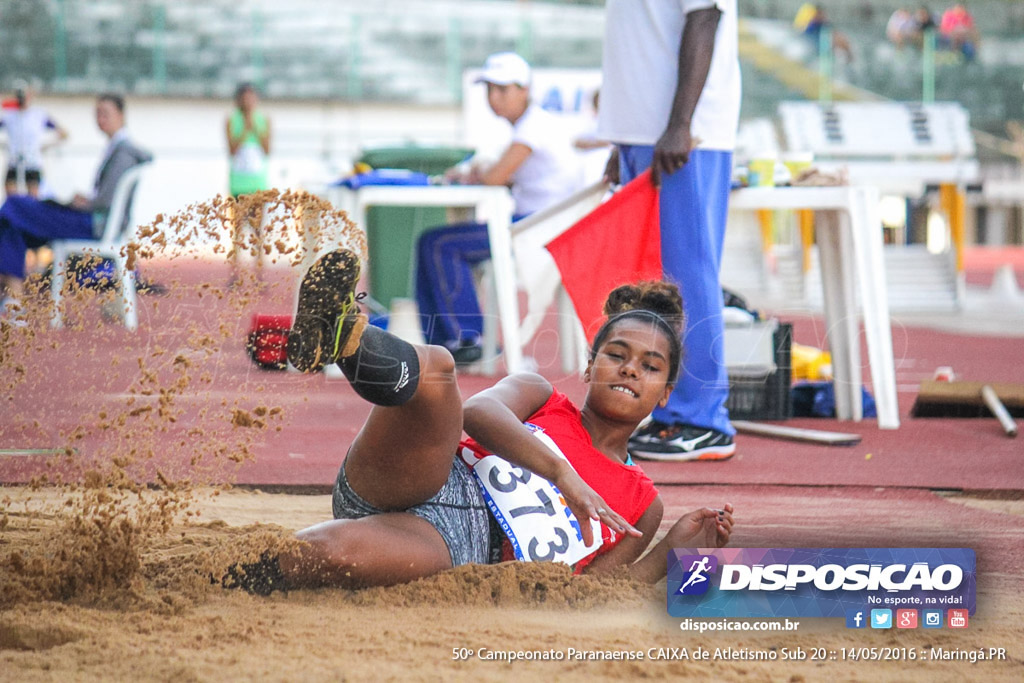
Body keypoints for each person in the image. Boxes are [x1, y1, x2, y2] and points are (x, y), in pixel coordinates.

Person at [223, 249, 734, 593]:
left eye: (650, 366)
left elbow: (599, 588)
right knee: (441, 369)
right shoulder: (539, 395)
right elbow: (478, 411)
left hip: (463, 545)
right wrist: (561, 473)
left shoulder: (644, 503)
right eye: (617, 355)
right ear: (589, 366)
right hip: (425, 469)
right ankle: (347, 341)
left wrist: (674, 549)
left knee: (327, 551)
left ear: (666, 394)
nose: (629, 369)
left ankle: (222, 582)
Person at [597, 0, 740, 462]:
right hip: (649, 133)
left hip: (684, 135)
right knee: (656, 282)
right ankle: (671, 410)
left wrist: (680, 124)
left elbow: (705, 17)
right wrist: (625, 136)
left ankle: (704, 418)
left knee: (687, 277)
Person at [415, 52, 581, 364]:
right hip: (538, 224)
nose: (494, 97)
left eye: (502, 89)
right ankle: (446, 341)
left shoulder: (533, 128)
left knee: (440, 244)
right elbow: (499, 175)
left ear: (525, 90)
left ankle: (467, 338)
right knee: (434, 242)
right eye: (489, 89)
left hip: (538, 228)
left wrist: (476, 173)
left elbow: (494, 178)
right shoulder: (532, 126)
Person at [0, 93, 151, 317]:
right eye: (97, 114)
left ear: (121, 115)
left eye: (105, 113)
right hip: (91, 219)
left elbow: (104, 202)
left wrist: (82, 202)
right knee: (10, 225)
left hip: (93, 224)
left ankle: (13, 299)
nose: (100, 119)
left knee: (14, 206)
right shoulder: (118, 149)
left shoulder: (124, 152)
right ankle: (14, 300)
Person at [225, 82, 271, 286]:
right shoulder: (231, 120)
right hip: (238, 185)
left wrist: (255, 127)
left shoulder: (264, 120)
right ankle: (235, 275)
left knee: (259, 232)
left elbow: (267, 148)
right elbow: (232, 149)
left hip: (258, 185)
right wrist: (244, 128)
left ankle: (259, 275)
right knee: (236, 232)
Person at [0, 80, 68, 197]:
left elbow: (63, 133)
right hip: (14, 160)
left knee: (33, 199)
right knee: (12, 197)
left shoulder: (38, 115)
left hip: (33, 161)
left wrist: (44, 146)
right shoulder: (9, 116)